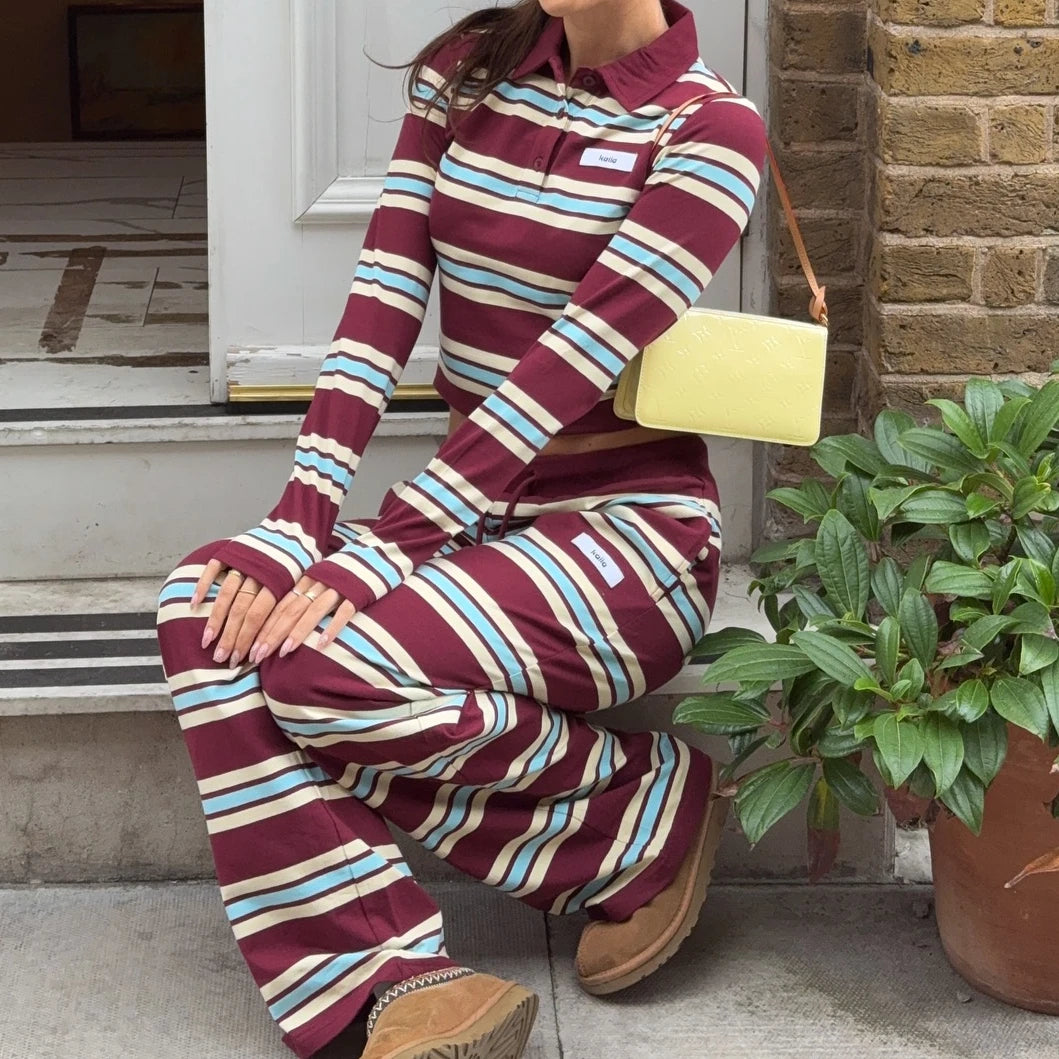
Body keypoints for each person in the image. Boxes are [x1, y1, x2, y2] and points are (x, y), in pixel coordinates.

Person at [156, 1, 768, 1056]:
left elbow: (563, 371)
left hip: (628, 541)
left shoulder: (709, 131)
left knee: (319, 669)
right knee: (205, 610)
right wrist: (300, 515)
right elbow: (384, 296)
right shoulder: (469, 68)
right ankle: (395, 979)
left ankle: (635, 807)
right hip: (470, 522)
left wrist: (386, 546)